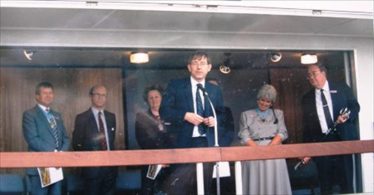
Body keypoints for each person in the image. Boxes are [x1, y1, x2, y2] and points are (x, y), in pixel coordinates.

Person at [160, 51, 229, 195]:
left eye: (202, 63)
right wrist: (184, 115)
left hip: (206, 142)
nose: (199, 67)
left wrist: (214, 120)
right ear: (189, 67)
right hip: (182, 142)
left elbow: (222, 115)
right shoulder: (176, 85)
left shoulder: (214, 90)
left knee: (204, 187)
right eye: (195, 63)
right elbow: (164, 111)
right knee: (180, 187)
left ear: (209, 67)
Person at [301, 64, 360, 194]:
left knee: (346, 184)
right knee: (325, 185)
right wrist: (306, 150)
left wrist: (347, 116)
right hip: (322, 143)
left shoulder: (342, 88)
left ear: (323, 72)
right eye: (308, 75)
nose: (311, 77)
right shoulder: (307, 98)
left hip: (343, 142)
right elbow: (306, 127)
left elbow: (355, 107)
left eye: (314, 73)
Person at [238, 84, 292, 195]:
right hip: (253, 151)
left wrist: (268, 150)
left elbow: (282, 132)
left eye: (268, 102)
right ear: (258, 99)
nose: (264, 103)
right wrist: (258, 151)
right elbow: (244, 135)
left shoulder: (278, 113)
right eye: (262, 100)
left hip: (274, 151)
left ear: (272, 103)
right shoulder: (246, 115)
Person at [22, 82, 70, 195]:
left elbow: (66, 138)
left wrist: (61, 153)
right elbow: (32, 139)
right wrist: (54, 153)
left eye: (50, 93)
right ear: (37, 96)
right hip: (40, 166)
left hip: (56, 166)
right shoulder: (30, 114)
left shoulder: (57, 115)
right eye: (45, 93)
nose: (48, 96)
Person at [72, 85, 117, 195]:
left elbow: (111, 141)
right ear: (91, 96)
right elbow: (76, 144)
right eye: (97, 94)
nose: (100, 98)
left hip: (110, 168)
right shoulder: (81, 118)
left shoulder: (111, 117)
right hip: (92, 170)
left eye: (103, 95)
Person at [135, 85, 173, 195]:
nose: (154, 100)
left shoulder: (170, 115)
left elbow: (174, 138)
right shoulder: (141, 117)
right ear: (147, 100)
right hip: (152, 162)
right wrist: (158, 159)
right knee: (149, 188)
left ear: (162, 98)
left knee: (170, 188)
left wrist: (167, 159)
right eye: (150, 97)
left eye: (156, 97)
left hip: (170, 162)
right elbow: (142, 140)